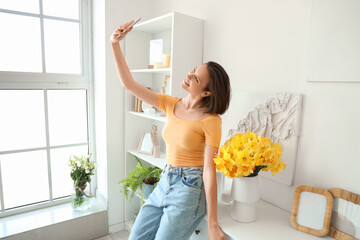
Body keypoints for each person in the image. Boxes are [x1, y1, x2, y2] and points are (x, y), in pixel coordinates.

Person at [110, 20, 231, 240]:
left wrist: (213, 224)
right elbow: (129, 84)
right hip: (165, 179)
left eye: (196, 77)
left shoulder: (211, 121)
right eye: (194, 70)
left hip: (189, 190)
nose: (189, 75)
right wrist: (114, 44)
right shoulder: (170, 103)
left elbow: (209, 171)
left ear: (206, 93)